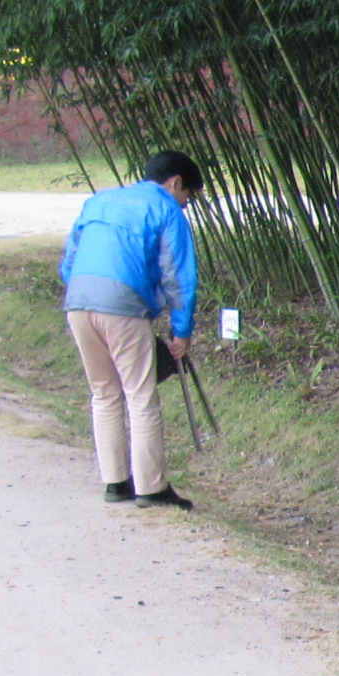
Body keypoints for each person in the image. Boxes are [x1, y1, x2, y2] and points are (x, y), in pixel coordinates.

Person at [60, 150, 204, 510]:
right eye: (189, 197)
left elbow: (69, 261)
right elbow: (178, 276)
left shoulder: (99, 200)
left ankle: (115, 483)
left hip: (77, 299)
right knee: (140, 395)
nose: (186, 205)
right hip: (122, 304)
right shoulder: (166, 209)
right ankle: (152, 489)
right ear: (176, 183)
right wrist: (181, 330)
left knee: (104, 393)